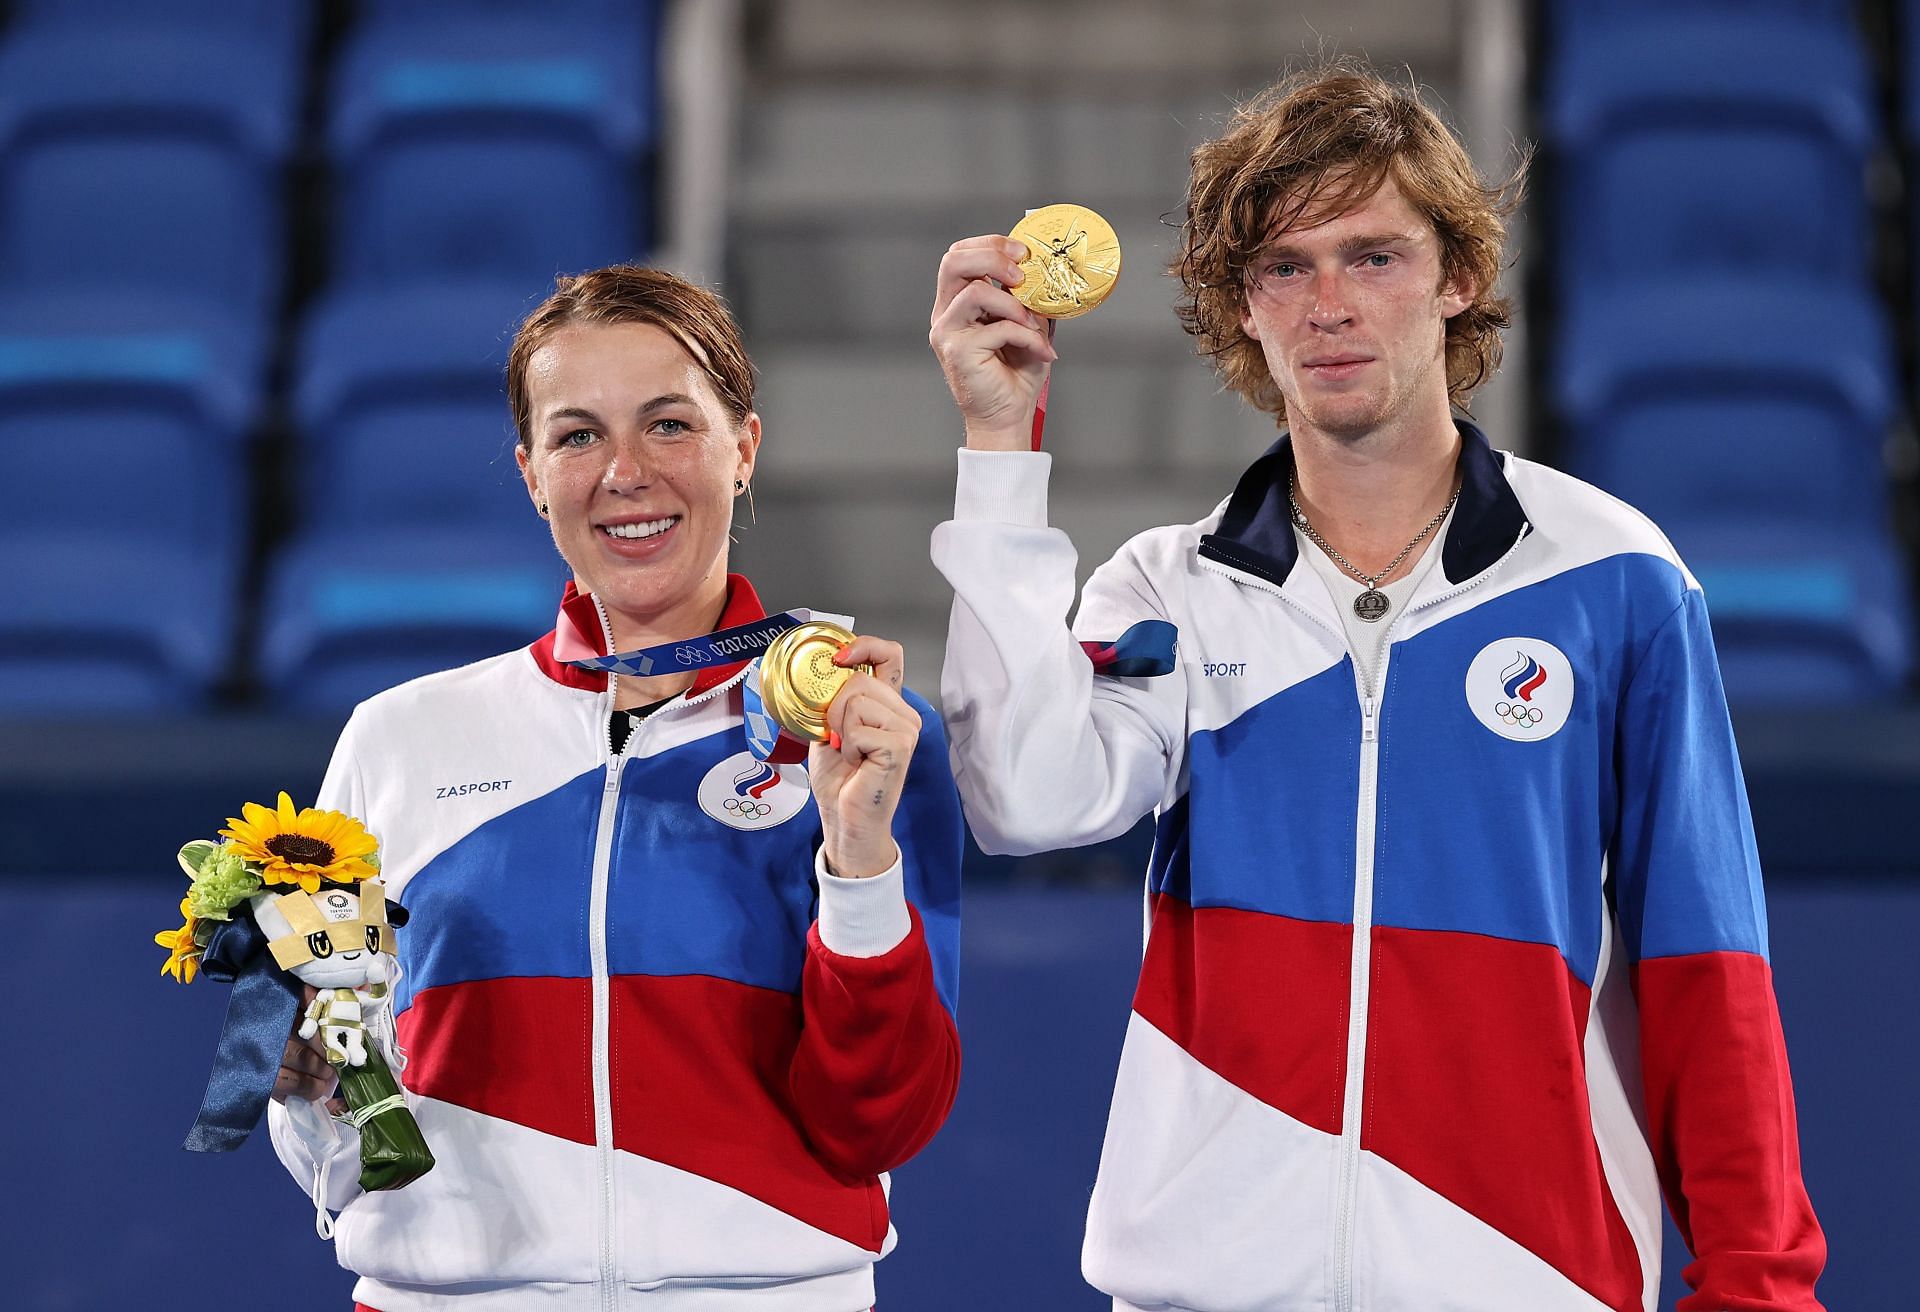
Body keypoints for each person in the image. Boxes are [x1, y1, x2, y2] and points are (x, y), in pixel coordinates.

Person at [928, 64, 1824, 1311]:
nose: (1329, 305)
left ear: (1457, 277)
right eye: (1286, 268)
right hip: (1209, 1288)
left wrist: (1760, 1287)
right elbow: (1023, 799)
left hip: (1524, 1277)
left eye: (1375, 256)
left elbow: (1706, 964)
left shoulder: (1615, 578)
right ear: (1242, 306)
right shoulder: (1170, 592)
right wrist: (997, 450)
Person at [267, 265, 964, 1312]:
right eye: (578, 434)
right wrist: (299, 1072)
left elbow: (884, 1122)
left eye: (671, 425)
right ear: (531, 473)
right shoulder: (399, 738)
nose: (625, 471)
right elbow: (328, 1122)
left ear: (746, 450)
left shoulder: (861, 739)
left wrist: (857, 854)